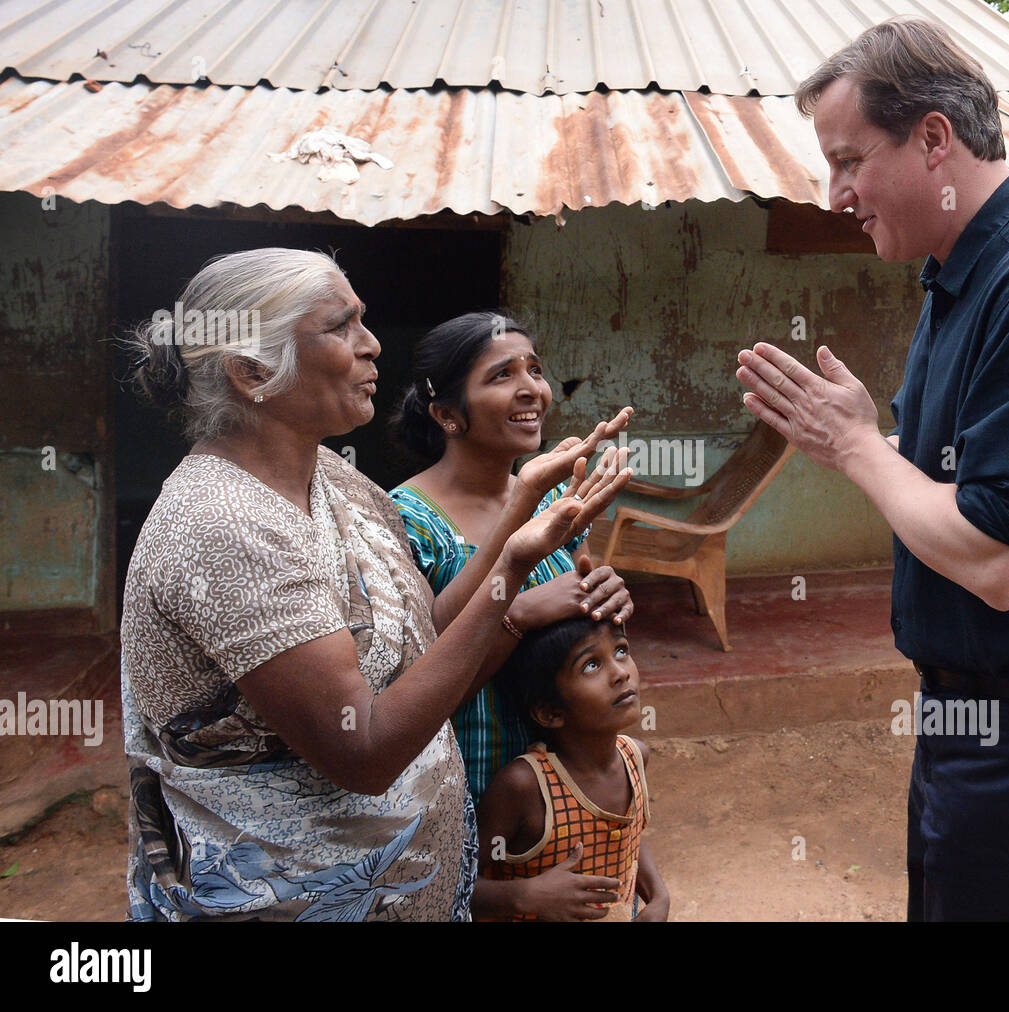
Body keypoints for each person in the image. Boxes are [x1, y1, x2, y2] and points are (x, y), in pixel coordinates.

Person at [735, 17, 1009, 921]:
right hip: (973, 723)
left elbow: (1002, 562)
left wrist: (857, 449)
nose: (836, 193)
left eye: (850, 160)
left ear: (935, 137)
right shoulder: (962, 274)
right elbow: (968, 491)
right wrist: (859, 441)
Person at [120, 248, 631, 921]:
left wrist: (520, 525)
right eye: (340, 327)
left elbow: (431, 638)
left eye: (364, 321)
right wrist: (509, 570)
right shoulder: (225, 526)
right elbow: (362, 751)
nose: (372, 346)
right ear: (251, 372)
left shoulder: (333, 480)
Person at [389, 312, 634, 807]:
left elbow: (580, 616)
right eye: (502, 375)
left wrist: (605, 595)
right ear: (447, 414)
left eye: (534, 370)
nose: (532, 389)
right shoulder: (405, 522)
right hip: (464, 798)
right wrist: (518, 613)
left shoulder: (553, 505)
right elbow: (418, 683)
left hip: (563, 804)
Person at [472, 617, 669, 921]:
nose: (620, 673)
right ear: (551, 713)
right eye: (590, 665)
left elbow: (629, 840)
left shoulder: (635, 758)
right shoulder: (525, 787)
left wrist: (657, 895)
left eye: (621, 650)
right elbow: (459, 883)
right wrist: (523, 896)